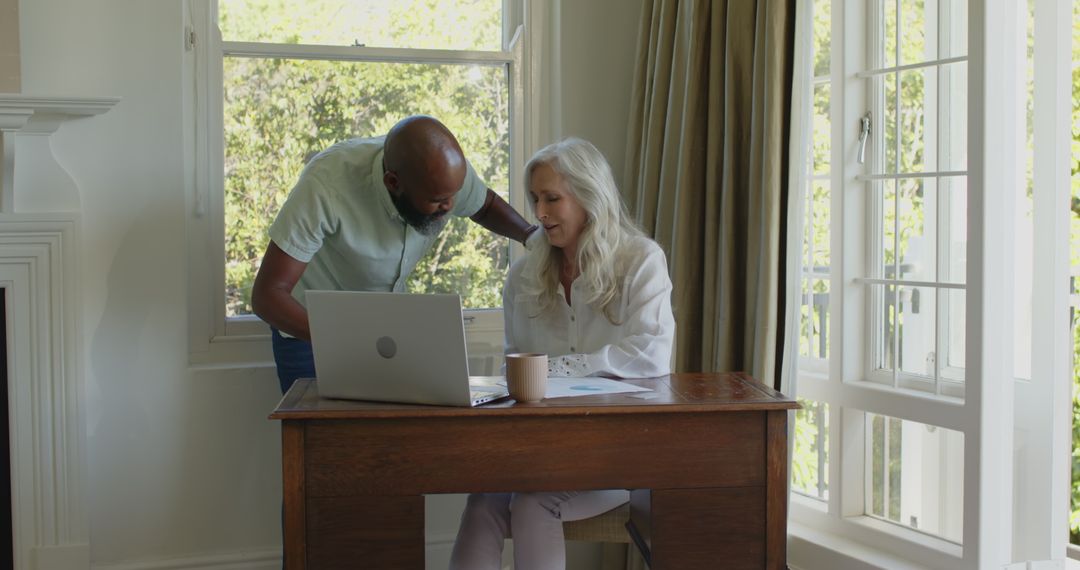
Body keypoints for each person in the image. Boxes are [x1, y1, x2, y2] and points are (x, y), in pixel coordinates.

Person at [449, 138, 675, 570]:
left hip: (620, 451)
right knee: (483, 503)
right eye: (535, 199)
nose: (539, 213)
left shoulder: (641, 261)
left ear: (591, 197)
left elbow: (651, 356)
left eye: (552, 198)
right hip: (538, 448)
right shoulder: (523, 275)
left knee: (534, 503)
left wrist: (554, 370)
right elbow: (514, 362)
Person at [251, 115, 539, 393]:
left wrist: (530, 236)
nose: (450, 206)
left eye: (455, 194)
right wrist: (343, 339)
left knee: (389, 437)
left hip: (383, 329)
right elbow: (268, 296)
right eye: (437, 200)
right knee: (323, 440)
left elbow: (484, 205)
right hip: (309, 333)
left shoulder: (444, 174)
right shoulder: (326, 185)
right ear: (394, 183)